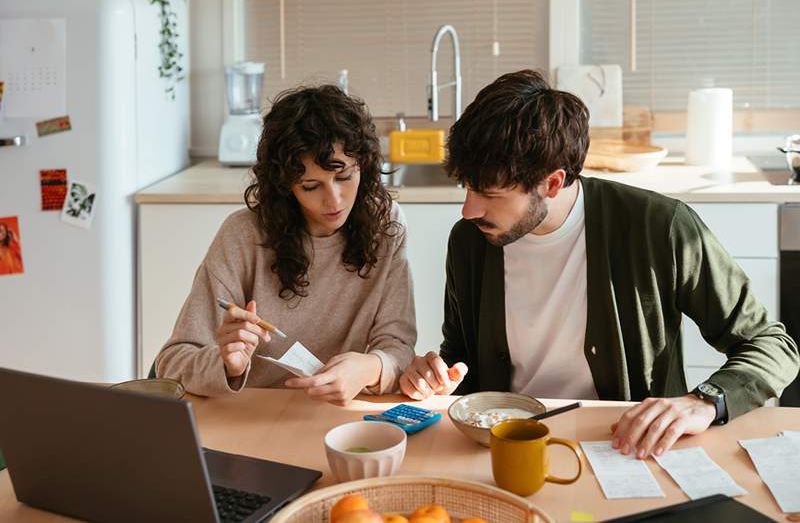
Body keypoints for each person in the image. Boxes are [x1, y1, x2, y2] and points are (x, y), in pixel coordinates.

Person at [399, 69, 798, 458]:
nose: (469, 209)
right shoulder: (470, 239)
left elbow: (772, 345)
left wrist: (704, 402)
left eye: (489, 193)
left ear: (552, 183)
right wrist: (435, 375)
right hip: (506, 448)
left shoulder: (659, 227)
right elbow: (460, 352)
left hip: (623, 448)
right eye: (466, 188)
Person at [156, 85, 416, 405]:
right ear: (286, 186)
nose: (333, 200)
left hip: (335, 417)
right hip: (250, 414)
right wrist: (227, 365)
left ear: (364, 165)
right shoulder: (243, 236)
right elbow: (172, 363)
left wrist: (370, 367)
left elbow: (399, 347)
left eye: (344, 176)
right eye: (311, 186)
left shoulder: (385, 225)